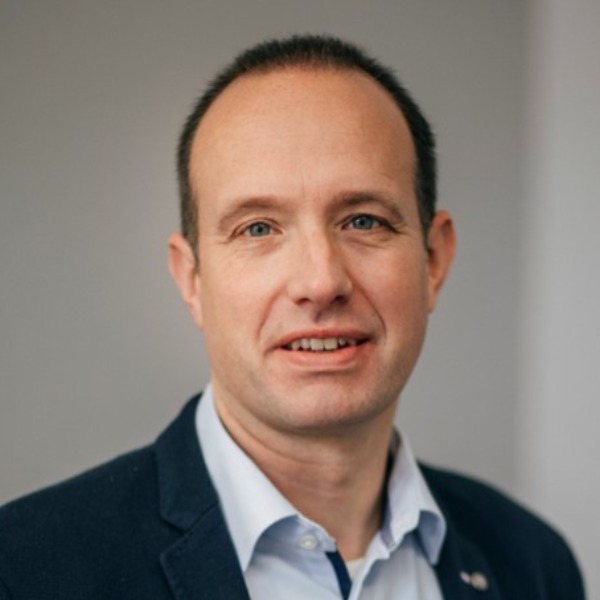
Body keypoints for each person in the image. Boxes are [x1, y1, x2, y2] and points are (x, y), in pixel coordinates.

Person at [0, 35, 585, 599]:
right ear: (192, 278)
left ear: (433, 259)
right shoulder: (25, 573)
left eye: (363, 221)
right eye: (258, 228)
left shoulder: (531, 562)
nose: (320, 282)